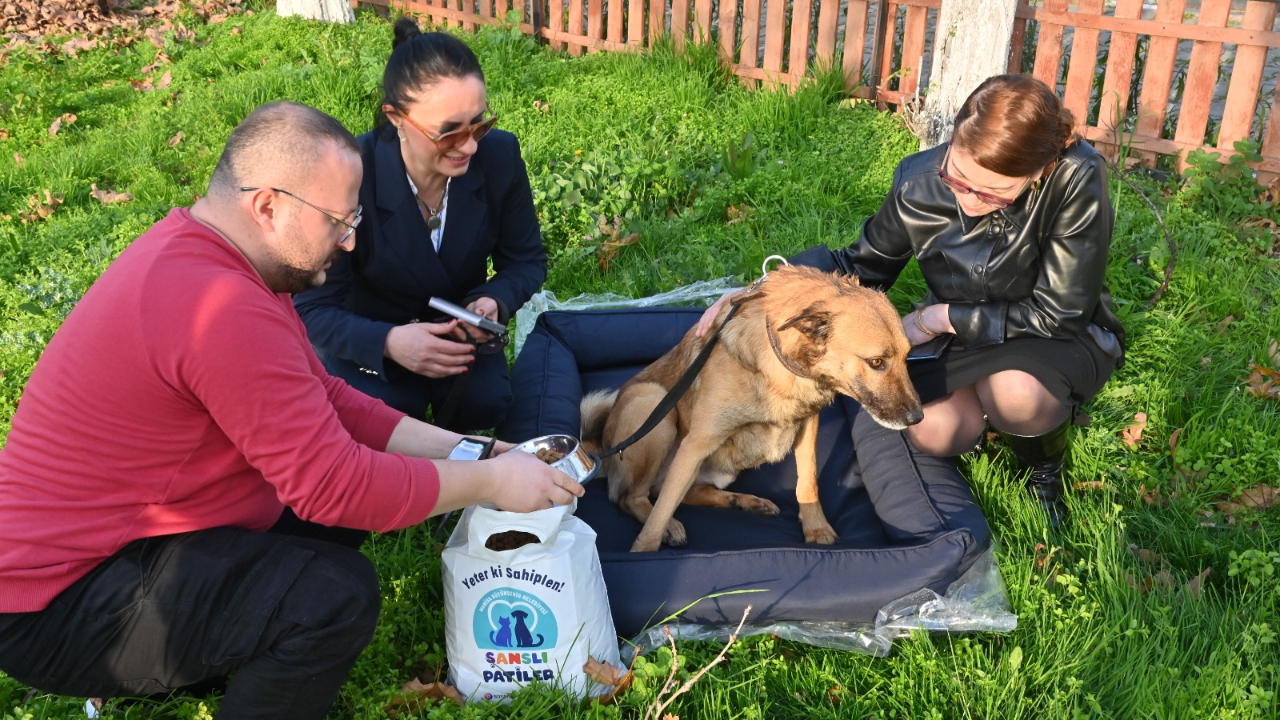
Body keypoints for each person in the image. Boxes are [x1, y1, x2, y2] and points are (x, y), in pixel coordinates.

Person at [0, 101, 581, 719]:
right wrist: (492, 482)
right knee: (332, 597)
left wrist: (473, 451)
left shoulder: (215, 256)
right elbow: (335, 487)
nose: (351, 238)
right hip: (58, 601)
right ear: (269, 205)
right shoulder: (219, 306)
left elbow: (323, 397)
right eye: (338, 218)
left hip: (129, 543)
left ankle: (208, 656)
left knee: (334, 520)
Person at [699, 74, 1124, 524]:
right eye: (958, 177)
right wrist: (764, 289)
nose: (969, 200)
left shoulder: (1077, 175)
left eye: (994, 192)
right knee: (935, 429)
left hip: (1049, 330)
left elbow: (1062, 311)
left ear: (1037, 173)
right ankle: (981, 427)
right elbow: (862, 265)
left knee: (1017, 394)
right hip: (963, 336)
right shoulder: (918, 181)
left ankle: (1042, 467)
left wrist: (939, 318)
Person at [294, 19, 546, 434]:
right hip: (368, 343)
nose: (470, 146)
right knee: (383, 421)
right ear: (396, 118)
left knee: (487, 404)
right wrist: (389, 342)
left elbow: (527, 260)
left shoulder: (499, 158)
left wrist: (491, 301)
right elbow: (312, 310)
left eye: (480, 124)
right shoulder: (351, 175)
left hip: (458, 342)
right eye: (448, 134)